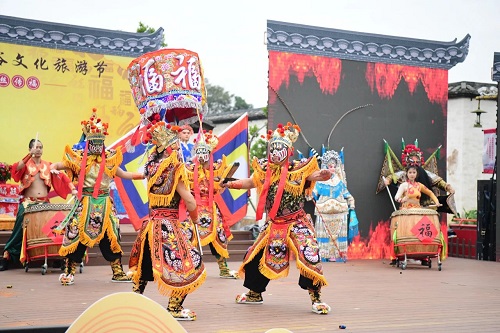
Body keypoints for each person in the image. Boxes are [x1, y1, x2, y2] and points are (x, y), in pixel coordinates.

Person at [222, 123, 332, 315]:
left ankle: (316, 298)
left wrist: (323, 175)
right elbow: (251, 182)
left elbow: (313, 175)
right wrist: (232, 184)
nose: (275, 152)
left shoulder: (299, 168)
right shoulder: (265, 168)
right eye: (273, 148)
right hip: (274, 223)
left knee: (309, 255)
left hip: (297, 221)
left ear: (288, 151)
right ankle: (254, 293)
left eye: (280, 148)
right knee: (255, 255)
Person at [51, 108, 144, 285]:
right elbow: (59, 164)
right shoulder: (79, 159)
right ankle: (69, 271)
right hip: (85, 203)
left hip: (104, 204)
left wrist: (143, 175)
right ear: (88, 142)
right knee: (76, 235)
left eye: (99, 143)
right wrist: (53, 168)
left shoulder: (109, 160)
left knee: (112, 237)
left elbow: (124, 174)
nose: (97, 146)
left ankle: (117, 271)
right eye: (93, 142)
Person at [128, 120, 206, 321]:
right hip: (169, 225)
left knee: (145, 264)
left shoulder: (152, 167)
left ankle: (134, 301)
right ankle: (174, 307)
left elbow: (135, 175)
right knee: (187, 264)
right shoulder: (174, 168)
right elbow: (188, 198)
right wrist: (195, 217)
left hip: (151, 224)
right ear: (170, 147)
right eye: (176, 145)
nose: (178, 148)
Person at [0, 139, 75, 271]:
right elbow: (15, 168)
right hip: (28, 203)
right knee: (19, 230)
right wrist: (29, 155)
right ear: (30, 150)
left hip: (44, 203)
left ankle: (56, 257)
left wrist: (73, 189)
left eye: (40, 147)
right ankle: (7, 257)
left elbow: (63, 177)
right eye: (36, 147)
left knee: (53, 229)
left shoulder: (48, 165)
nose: (38, 149)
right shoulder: (25, 164)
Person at [184, 131, 238, 278]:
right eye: (199, 152)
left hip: (211, 209)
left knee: (218, 237)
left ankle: (224, 268)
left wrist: (222, 183)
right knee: (190, 237)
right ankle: (192, 266)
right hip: (194, 208)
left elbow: (219, 187)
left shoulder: (216, 168)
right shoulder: (188, 168)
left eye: (204, 152)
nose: (201, 155)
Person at [313, 149, 357, 262]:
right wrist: (308, 193)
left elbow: (347, 194)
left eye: (333, 166)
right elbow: (312, 194)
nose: (331, 168)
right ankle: (323, 255)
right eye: (329, 166)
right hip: (324, 212)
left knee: (338, 236)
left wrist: (352, 204)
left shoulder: (339, 182)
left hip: (340, 213)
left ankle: (338, 255)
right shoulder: (319, 182)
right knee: (324, 236)